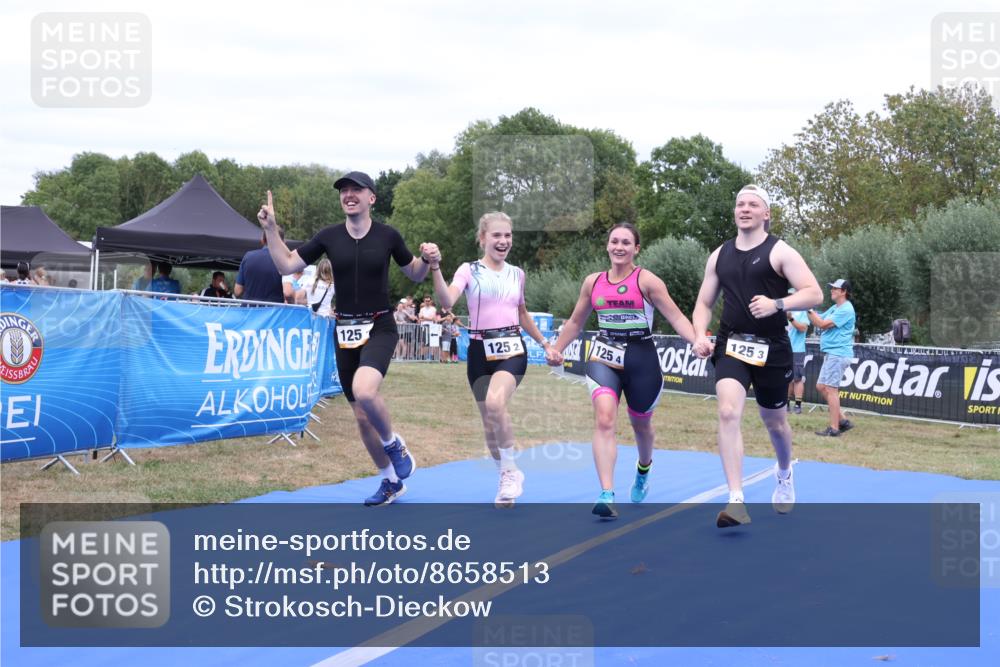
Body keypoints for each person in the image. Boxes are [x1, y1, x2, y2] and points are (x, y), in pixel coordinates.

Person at [256, 171, 438, 506]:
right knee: (360, 415)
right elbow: (285, 264)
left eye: (357, 190)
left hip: (380, 326)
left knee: (364, 390)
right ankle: (390, 481)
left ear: (372, 198)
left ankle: (393, 442)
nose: (349, 195)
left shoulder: (388, 236)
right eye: (344, 191)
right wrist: (270, 229)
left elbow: (413, 272)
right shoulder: (329, 236)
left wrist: (428, 262)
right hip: (344, 331)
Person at [546, 222, 699, 519]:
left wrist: (697, 341)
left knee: (641, 424)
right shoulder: (593, 282)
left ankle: (643, 469)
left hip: (641, 358)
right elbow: (577, 322)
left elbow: (677, 317)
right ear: (607, 245)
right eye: (614, 241)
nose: (619, 247)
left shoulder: (648, 281)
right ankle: (606, 493)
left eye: (626, 242)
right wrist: (558, 348)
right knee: (604, 418)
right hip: (605, 354)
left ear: (636, 249)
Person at [691, 185, 822, 528]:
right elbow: (704, 303)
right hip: (731, 344)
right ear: (734, 212)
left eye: (753, 204)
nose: (744, 209)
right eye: (739, 204)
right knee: (727, 410)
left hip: (772, 347)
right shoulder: (719, 255)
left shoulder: (781, 252)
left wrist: (777, 303)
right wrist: (698, 334)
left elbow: (814, 293)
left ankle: (783, 472)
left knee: (775, 422)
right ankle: (736, 500)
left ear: (766, 214)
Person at [429, 211, 552, 507]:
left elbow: (522, 313)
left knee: (497, 403)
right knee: (489, 424)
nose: (503, 241)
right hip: (479, 352)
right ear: (483, 238)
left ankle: (510, 470)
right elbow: (447, 301)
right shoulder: (468, 270)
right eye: (497, 235)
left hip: (511, 350)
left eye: (508, 236)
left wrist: (545, 343)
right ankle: (504, 476)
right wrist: (435, 267)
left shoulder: (517, 274)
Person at [808, 278, 857, 437]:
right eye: (832, 288)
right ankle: (843, 421)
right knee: (821, 387)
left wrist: (807, 309)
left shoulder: (846, 309)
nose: (832, 290)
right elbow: (818, 318)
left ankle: (834, 429)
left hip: (838, 353)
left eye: (835, 288)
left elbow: (822, 324)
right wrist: (807, 307)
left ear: (844, 292)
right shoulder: (836, 307)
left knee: (831, 389)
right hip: (833, 353)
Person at [235, 230, 286, 304]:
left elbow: (237, 291)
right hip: (274, 312)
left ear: (262, 240)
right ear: (283, 242)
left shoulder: (248, 256)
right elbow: (288, 293)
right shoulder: (285, 260)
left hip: (249, 311)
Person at [786, 288, 810, 414]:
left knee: (797, 378)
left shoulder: (803, 310)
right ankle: (786, 405)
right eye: (789, 295)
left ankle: (798, 406)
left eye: (793, 295)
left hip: (797, 350)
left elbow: (803, 328)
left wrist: (791, 319)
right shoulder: (784, 309)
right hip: (784, 349)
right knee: (786, 378)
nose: (790, 297)